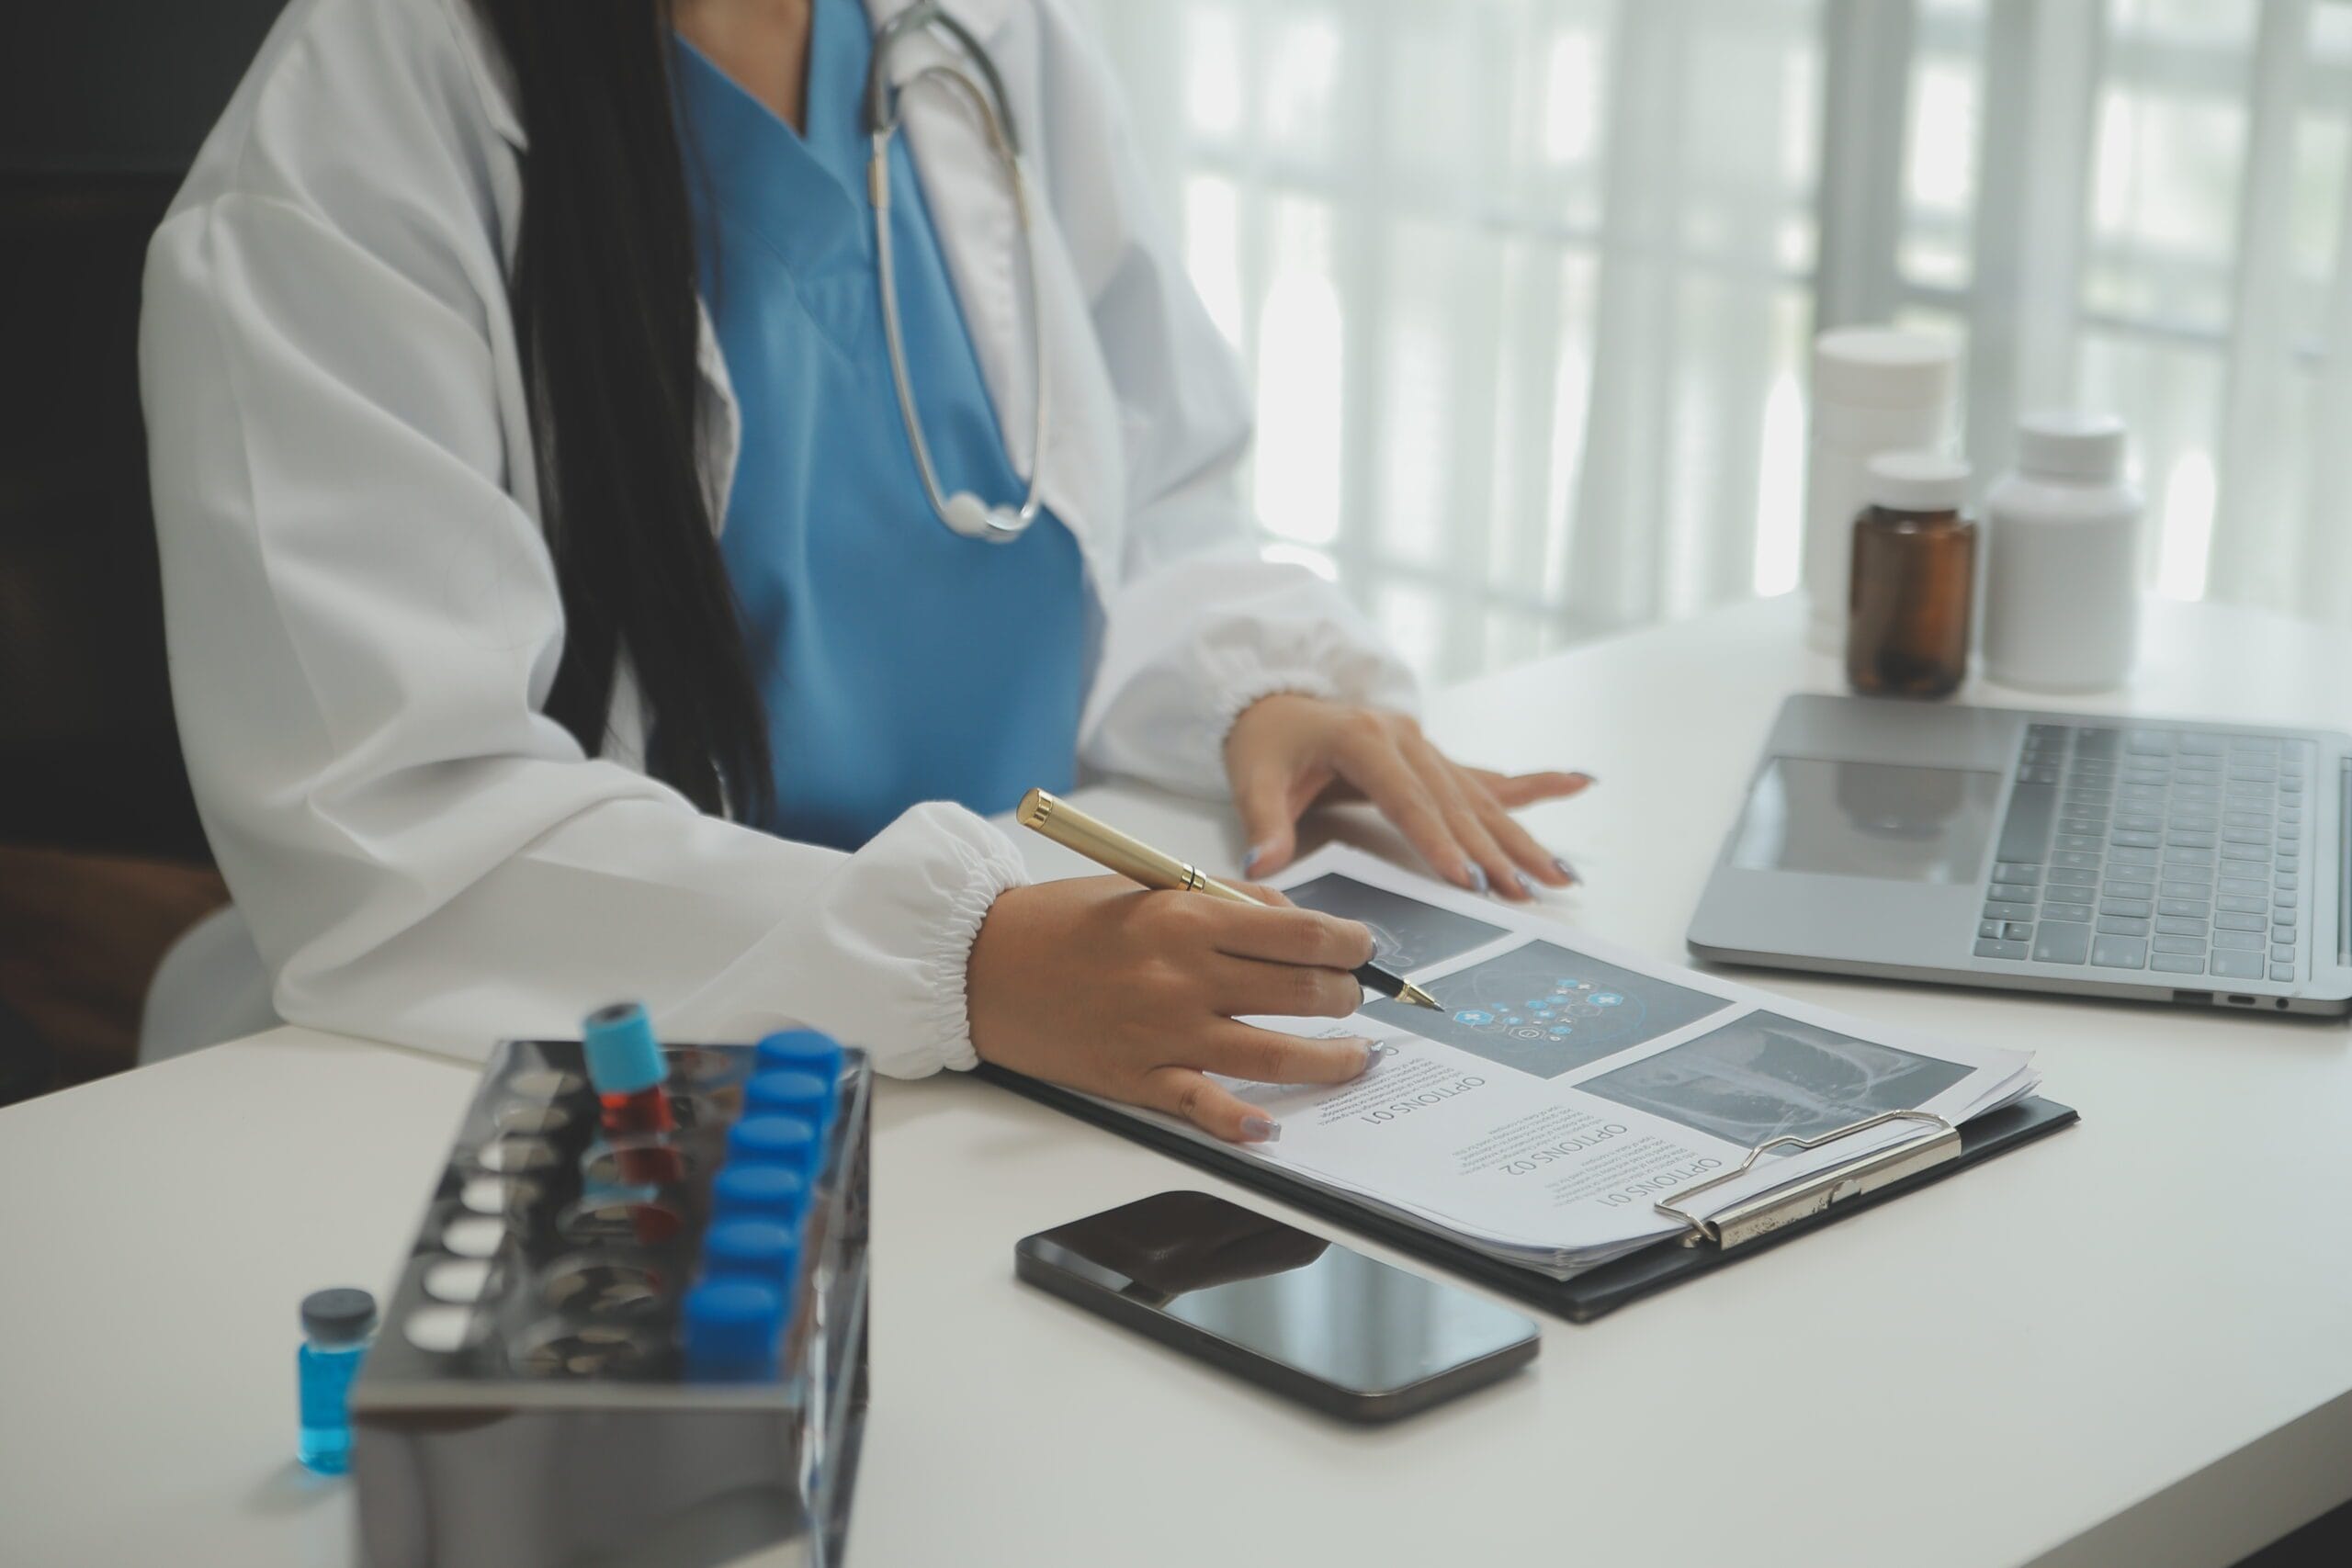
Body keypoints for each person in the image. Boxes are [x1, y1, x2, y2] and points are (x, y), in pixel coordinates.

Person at [139, 0, 1589, 1142]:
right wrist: (964, 962)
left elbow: (1146, 489)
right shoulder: (345, 158)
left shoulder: (986, 39)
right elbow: (399, 819)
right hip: (633, 1063)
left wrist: (1242, 682)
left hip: (1063, 988)